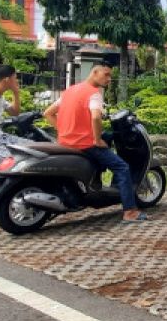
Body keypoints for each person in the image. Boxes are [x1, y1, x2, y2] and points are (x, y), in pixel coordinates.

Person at [43, 63, 147, 224]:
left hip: (66, 142)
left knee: (108, 136)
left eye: (110, 76)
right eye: (106, 75)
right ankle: (130, 212)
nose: (109, 79)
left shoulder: (71, 90)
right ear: (94, 72)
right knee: (122, 167)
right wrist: (97, 140)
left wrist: (63, 130)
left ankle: (97, 177)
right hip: (85, 144)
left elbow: (48, 113)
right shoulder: (93, 94)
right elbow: (96, 117)